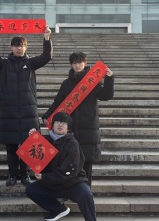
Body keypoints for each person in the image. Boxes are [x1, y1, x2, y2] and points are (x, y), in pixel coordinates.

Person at [24, 112, 105, 221]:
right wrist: (32, 139)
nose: (60, 125)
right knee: (31, 189)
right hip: (52, 184)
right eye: (57, 122)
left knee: (86, 194)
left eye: (64, 123)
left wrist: (45, 177)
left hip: (73, 183)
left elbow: (69, 172)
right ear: (52, 125)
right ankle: (58, 209)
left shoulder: (72, 143)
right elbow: (35, 160)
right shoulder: (44, 141)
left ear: (68, 128)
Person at [0, 25, 52, 186]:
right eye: (16, 46)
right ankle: (12, 175)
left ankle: (25, 174)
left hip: (28, 111)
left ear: (25, 47)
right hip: (9, 111)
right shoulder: (4, 64)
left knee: (29, 144)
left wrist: (47, 39)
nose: (19, 48)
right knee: (11, 146)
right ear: (12, 48)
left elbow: (46, 57)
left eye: (22, 46)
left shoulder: (31, 63)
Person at [43, 52, 114, 185]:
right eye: (74, 63)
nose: (77, 65)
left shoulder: (92, 82)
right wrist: (47, 115)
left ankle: (86, 191)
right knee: (70, 161)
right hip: (71, 127)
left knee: (86, 163)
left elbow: (106, 96)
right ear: (71, 64)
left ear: (85, 63)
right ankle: (71, 190)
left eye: (80, 62)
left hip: (89, 127)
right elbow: (58, 102)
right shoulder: (66, 84)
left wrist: (109, 79)